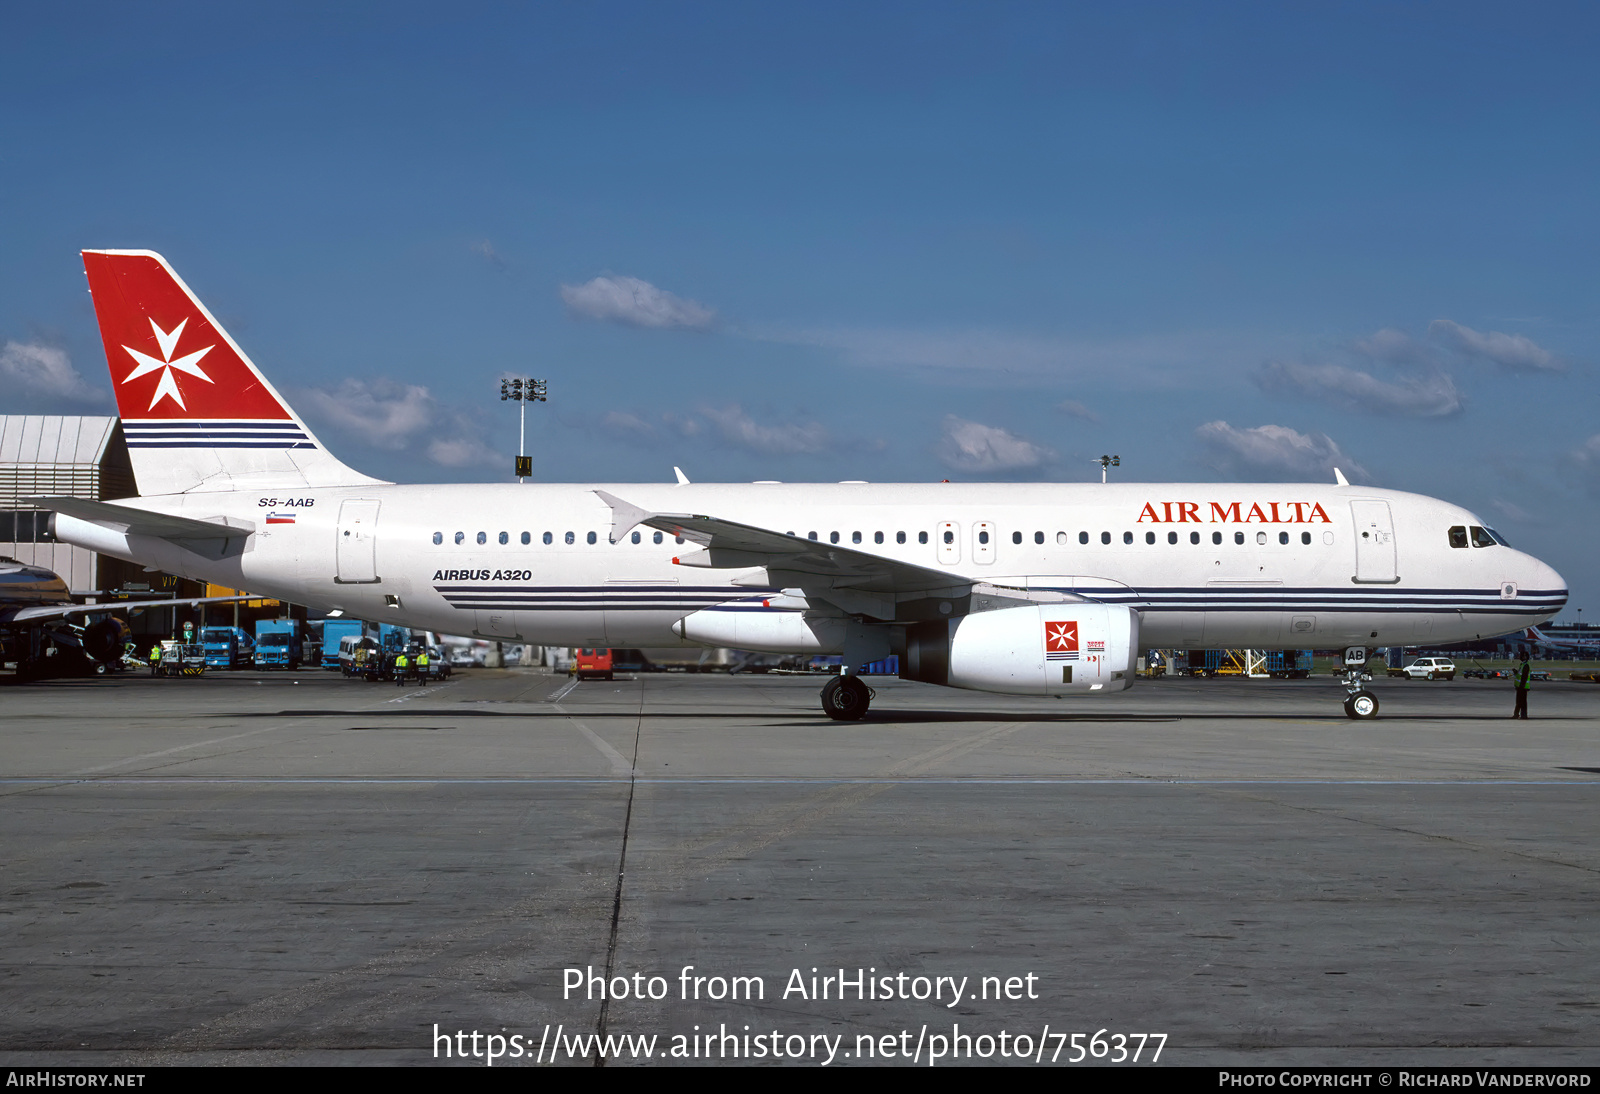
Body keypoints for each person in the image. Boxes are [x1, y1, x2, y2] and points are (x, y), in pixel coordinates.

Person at [1513, 652, 1531, 719]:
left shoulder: (1526, 665)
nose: (1524, 657)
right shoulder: (1522, 664)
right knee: (1520, 701)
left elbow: (1524, 676)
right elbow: (1519, 675)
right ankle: (1519, 714)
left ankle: (1521, 715)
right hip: (1520, 686)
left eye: (1525, 656)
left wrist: (1521, 686)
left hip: (1522, 687)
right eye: (1523, 656)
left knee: (1521, 702)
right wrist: (1515, 672)